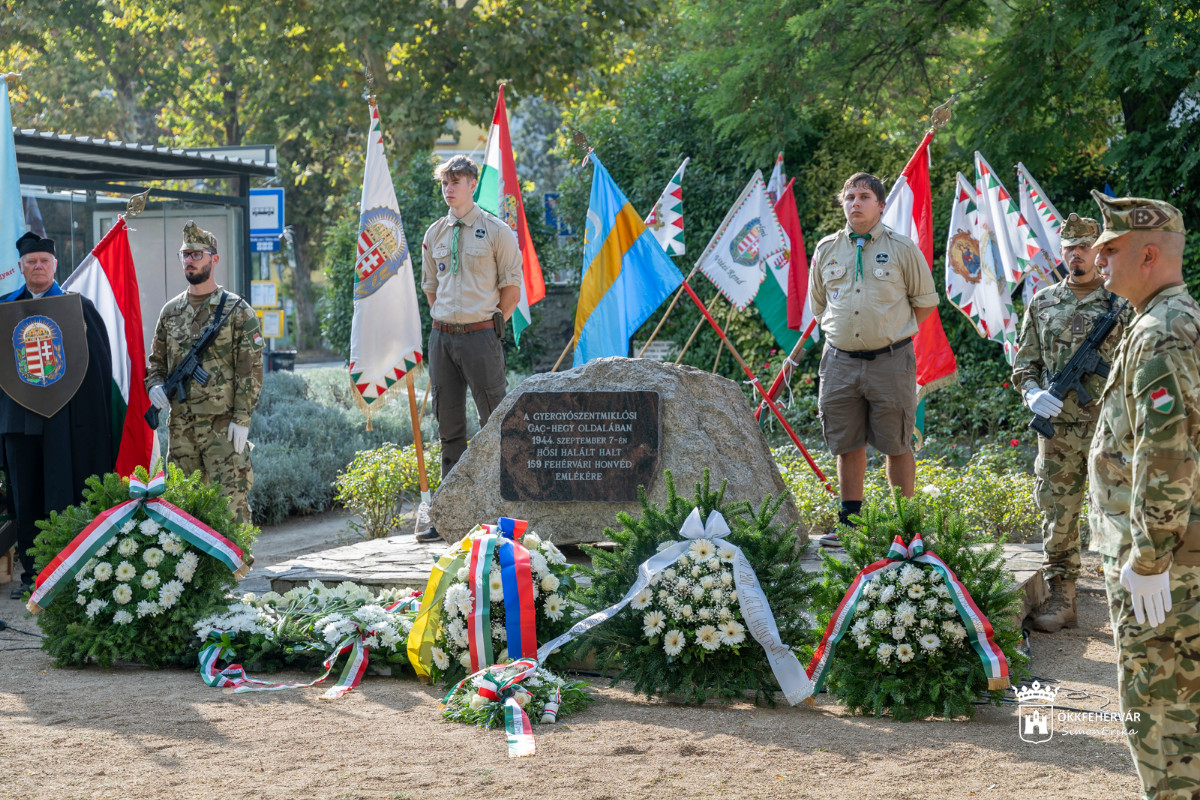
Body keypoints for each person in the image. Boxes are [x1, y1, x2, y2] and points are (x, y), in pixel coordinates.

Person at [1087, 191, 1199, 799]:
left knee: (1162, 717)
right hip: (1171, 552)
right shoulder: (1163, 319)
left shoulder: (1162, 332)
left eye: (1112, 249)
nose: (1099, 259)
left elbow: (1166, 452)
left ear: (1149, 255)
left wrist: (1150, 558)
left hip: (1165, 563)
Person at [1012, 214, 1131, 632]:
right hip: (1058, 430)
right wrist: (1032, 392)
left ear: (1098, 252)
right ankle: (1063, 599)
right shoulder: (1043, 302)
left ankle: (1128, 598)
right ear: (1061, 253)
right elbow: (1024, 365)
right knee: (1058, 512)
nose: (1076, 254)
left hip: (1111, 427)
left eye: (1084, 247)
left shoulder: (1123, 303)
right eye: (1069, 248)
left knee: (1119, 509)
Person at [808, 172, 939, 547]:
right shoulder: (826, 249)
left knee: (897, 443)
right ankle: (851, 523)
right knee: (847, 443)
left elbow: (925, 302)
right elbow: (819, 305)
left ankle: (904, 528)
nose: (856, 203)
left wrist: (891, 331)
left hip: (890, 361)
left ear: (880, 205)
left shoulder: (902, 248)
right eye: (850, 197)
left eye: (864, 196)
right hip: (839, 362)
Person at [1, 232, 114, 598]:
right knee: (26, 498)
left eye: (44, 261)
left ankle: (65, 570)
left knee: (63, 492)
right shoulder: (4, 310)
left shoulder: (76, 307)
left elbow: (95, 369)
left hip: (64, 420)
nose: (38, 266)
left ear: (55, 265)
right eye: (31, 261)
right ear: (20, 267)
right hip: (19, 420)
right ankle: (33, 575)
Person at [419, 155, 521, 542]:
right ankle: (449, 515)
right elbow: (431, 287)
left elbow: (511, 289)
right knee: (449, 428)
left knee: (495, 423)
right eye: (444, 182)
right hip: (442, 338)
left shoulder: (496, 231)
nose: (448, 189)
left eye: (456, 182)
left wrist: (487, 325)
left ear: (472, 185)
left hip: (481, 338)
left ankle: (502, 513)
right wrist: (448, 321)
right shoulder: (435, 233)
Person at [146, 221, 263, 526]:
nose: (190, 260)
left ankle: (236, 557)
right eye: (185, 255)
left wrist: (242, 418)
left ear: (214, 259)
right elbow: (156, 363)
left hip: (223, 428)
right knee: (182, 510)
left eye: (197, 254)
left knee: (231, 508)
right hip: (181, 429)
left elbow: (250, 370)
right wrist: (155, 386)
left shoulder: (238, 311)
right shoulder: (170, 312)